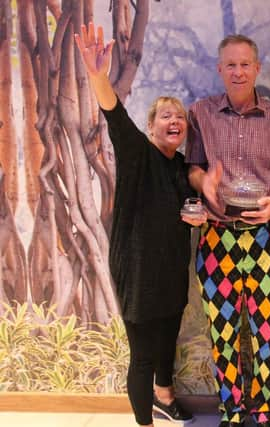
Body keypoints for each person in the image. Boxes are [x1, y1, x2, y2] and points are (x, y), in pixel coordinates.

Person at [74, 23, 202, 427]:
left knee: (168, 343)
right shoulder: (138, 154)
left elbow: (192, 207)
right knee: (144, 355)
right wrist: (97, 74)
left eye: (179, 116)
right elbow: (114, 114)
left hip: (170, 271)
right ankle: (144, 422)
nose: (174, 120)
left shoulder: (182, 167)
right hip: (139, 271)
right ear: (151, 127)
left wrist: (198, 216)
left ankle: (165, 398)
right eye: (165, 115)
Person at [185, 34, 270, 427]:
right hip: (218, 236)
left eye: (245, 64)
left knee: (267, 331)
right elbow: (193, 167)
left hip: (266, 236)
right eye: (230, 64)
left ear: (257, 68)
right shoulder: (200, 113)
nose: (238, 71)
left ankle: (264, 411)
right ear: (219, 69)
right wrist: (204, 183)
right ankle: (231, 411)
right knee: (223, 331)